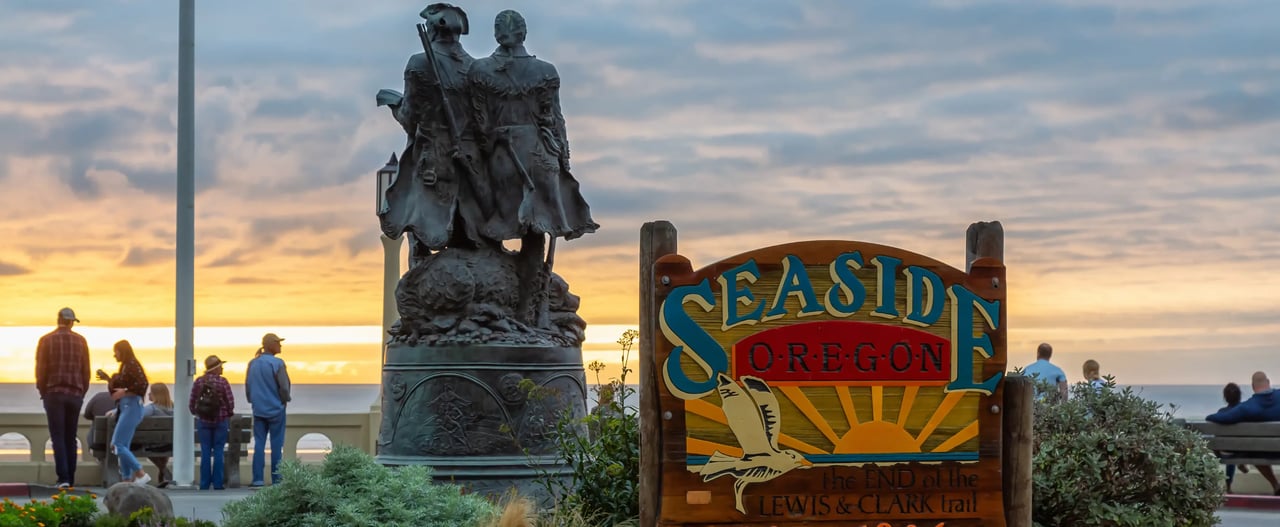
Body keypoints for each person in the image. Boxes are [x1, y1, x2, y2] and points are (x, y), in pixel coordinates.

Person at [468, 9, 598, 325]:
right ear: (523, 34)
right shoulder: (543, 71)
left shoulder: (482, 71)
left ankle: (515, 306)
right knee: (533, 231)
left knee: (505, 227)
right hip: (535, 153)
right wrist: (563, 157)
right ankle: (524, 308)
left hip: (507, 153)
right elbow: (554, 118)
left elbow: (480, 125)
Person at [35, 307, 91, 489]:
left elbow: (41, 370)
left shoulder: (46, 340)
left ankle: (63, 478)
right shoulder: (81, 341)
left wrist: (43, 391)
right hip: (75, 394)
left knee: (57, 436)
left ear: (58, 319)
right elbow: (86, 371)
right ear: (70, 321)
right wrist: (81, 393)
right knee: (71, 437)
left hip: (54, 393)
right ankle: (71, 479)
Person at [1207, 371, 1280, 495]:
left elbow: (1219, 418)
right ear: (1268, 382)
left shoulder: (1247, 407)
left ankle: (1275, 484)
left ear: (1252, 386)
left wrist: (1210, 416)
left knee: (1254, 450)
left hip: (1262, 451)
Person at [97, 339, 150, 485]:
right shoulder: (127, 366)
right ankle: (126, 478)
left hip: (131, 407)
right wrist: (109, 378)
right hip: (128, 407)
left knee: (117, 444)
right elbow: (125, 383)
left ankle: (140, 473)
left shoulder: (131, 365)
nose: (115, 356)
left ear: (122, 351)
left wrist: (125, 392)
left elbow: (141, 384)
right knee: (123, 445)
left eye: (116, 352)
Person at [246, 333, 291, 487]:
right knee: (276, 445)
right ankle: (276, 479)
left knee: (259, 444)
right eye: (278, 343)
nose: (280, 345)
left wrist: (253, 401)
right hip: (276, 409)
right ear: (271, 344)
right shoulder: (277, 363)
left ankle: (257, 479)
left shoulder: (253, 363)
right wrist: (285, 400)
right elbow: (284, 387)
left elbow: (248, 386)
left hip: (258, 409)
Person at [190, 355, 235, 490]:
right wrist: (229, 413)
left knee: (205, 450)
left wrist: (196, 412)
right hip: (220, 420)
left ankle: (204, 483)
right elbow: (230, 401)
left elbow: (192, 401)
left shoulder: (199, 381)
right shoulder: (223, 382)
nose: (222, 368)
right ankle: (218, 483)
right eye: (220, 365)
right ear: (216, 368)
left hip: (203, 421)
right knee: (219, 451)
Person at [142, 383, 175, 487]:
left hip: (154, 446)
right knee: (163, 443)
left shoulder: (151, 409)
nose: (148, 395)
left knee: (143, 446)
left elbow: (135, 416)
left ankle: (165, 472)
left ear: (156, 395)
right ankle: (163, 476)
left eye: (150, 393)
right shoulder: (175, 408)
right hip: (172, 444)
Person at [82, 388, 115, 454]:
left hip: (98, 443)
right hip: (124, 443)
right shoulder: (127, 400)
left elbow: (87, 415)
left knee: (95, 423)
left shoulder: (99, 396)